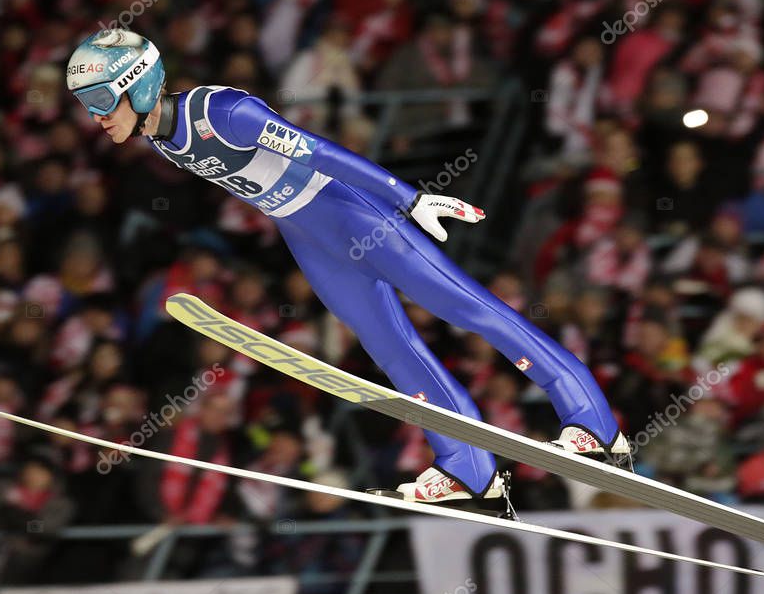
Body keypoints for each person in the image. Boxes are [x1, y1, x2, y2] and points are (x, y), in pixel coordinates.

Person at [65, 28, 629, 503]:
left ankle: (593, 423)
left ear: (137, 86)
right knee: (389, 346)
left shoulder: (222, 111)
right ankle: (468, 468)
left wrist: (408, 198)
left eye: (100, 101)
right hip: (307, 236)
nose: (95, 117)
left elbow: (318, 151)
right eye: (87, 106)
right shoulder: (162, 140)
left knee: (468, 309)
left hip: (353, 215)